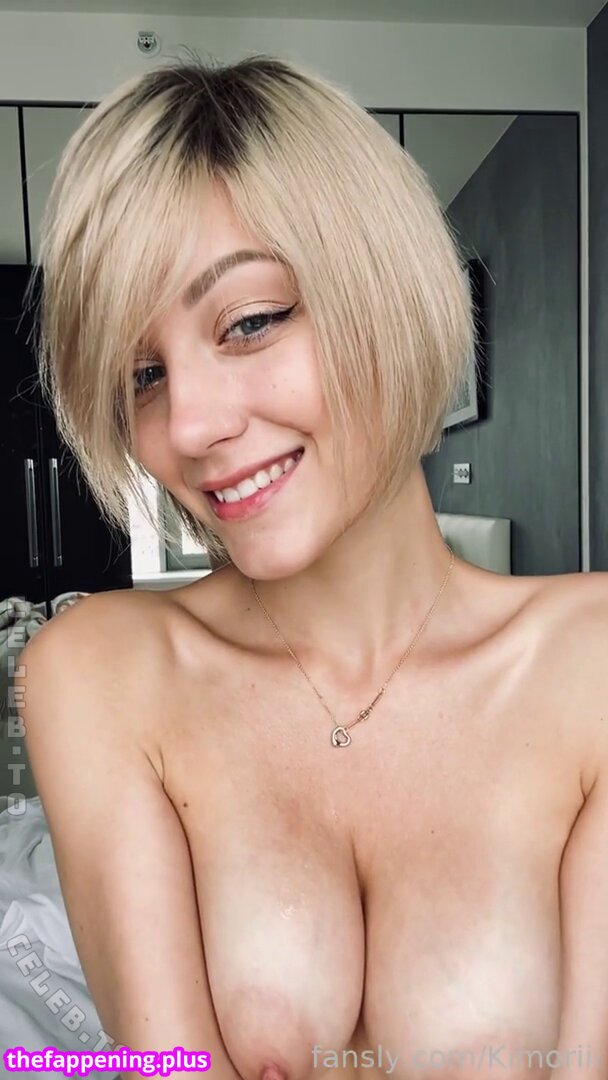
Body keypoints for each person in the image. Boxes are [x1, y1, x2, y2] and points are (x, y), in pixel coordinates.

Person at [16, 52, 608, 1080]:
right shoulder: (96, 672)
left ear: (384, 294)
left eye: (249, 322)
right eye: (142, 376)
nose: (188, 425)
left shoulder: (590, 660)